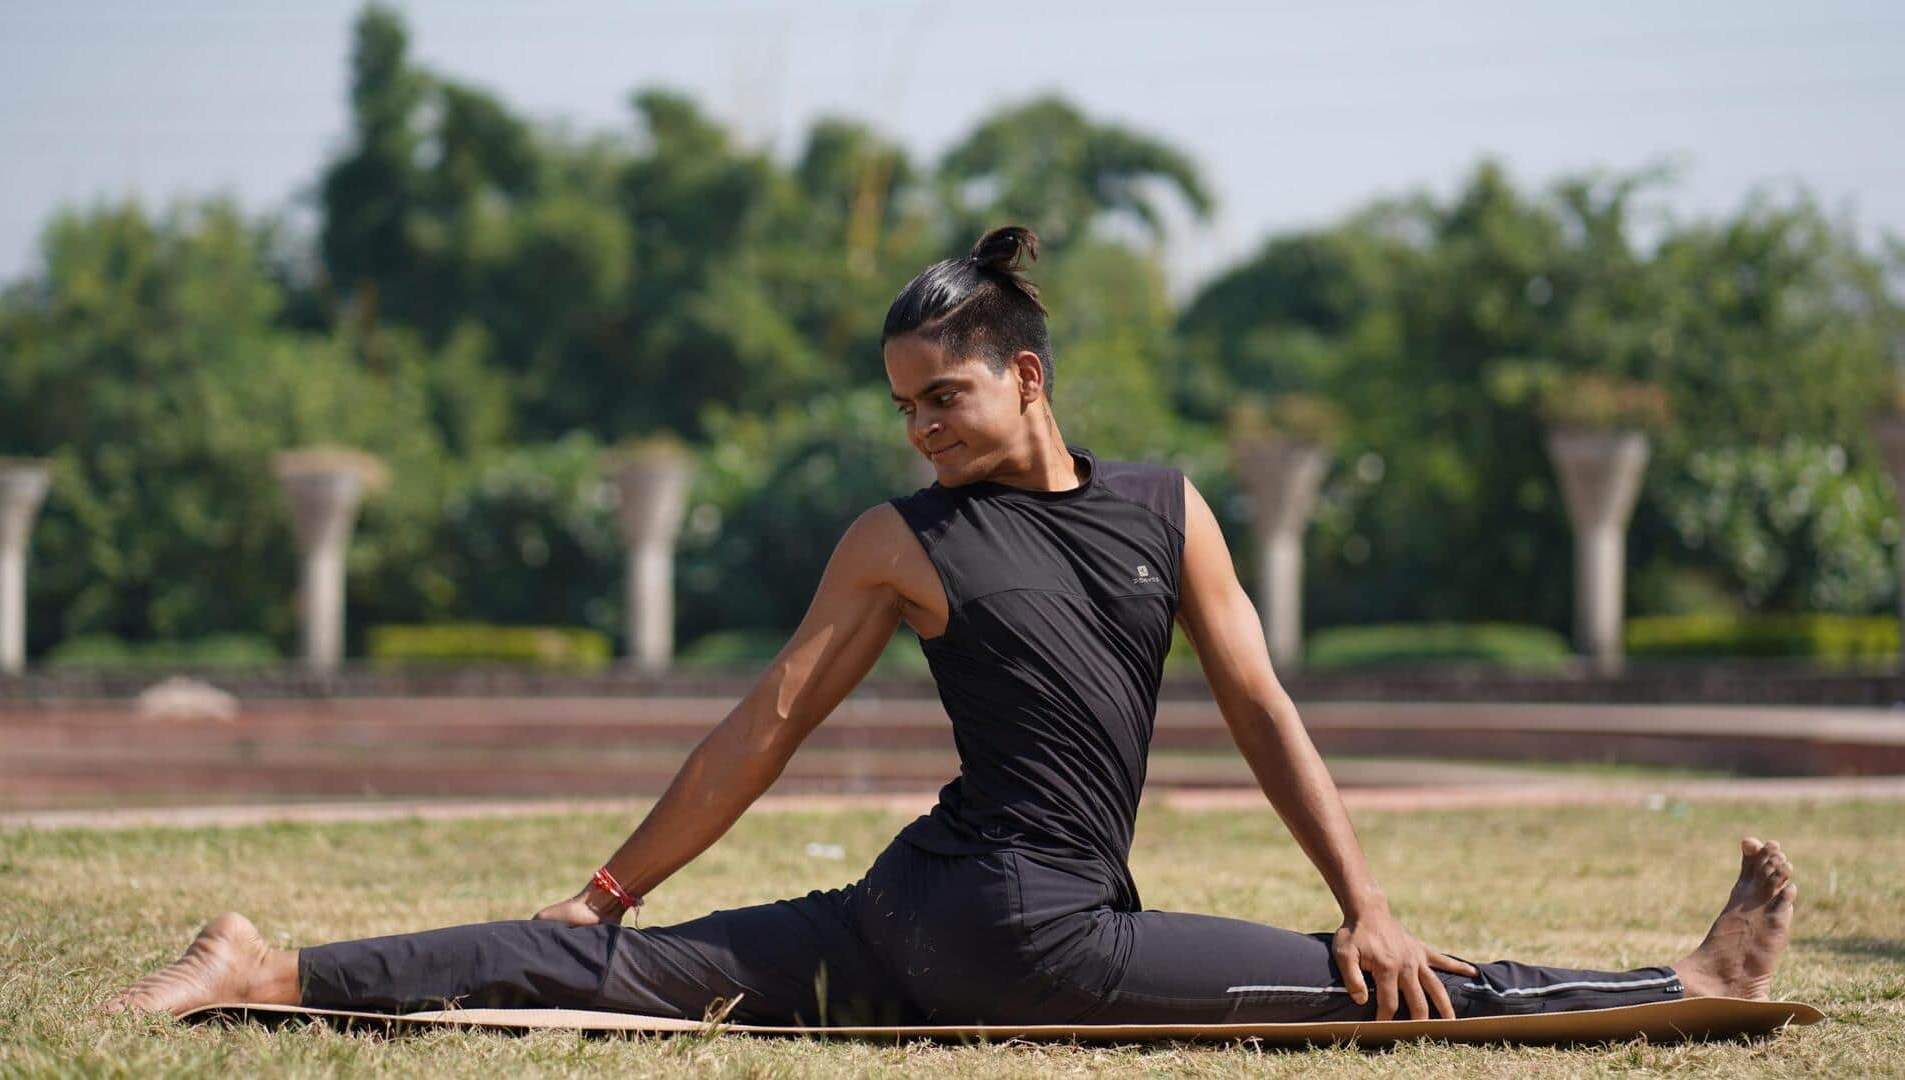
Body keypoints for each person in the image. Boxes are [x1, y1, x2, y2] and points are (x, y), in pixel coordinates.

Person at [108, 226, 1795, 1029]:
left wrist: (1364, 891)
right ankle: (1683, 981)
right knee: (1384, 997)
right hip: (1023, 935)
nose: (922, 423)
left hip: (900, 922)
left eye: (950, 392)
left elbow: (1266, 710)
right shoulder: (902, 543)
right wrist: (618, 872)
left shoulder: (1164, 510)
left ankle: (261, 970)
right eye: (906, 402)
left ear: (1029, 375)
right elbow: (762, 726)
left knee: (607, 982)